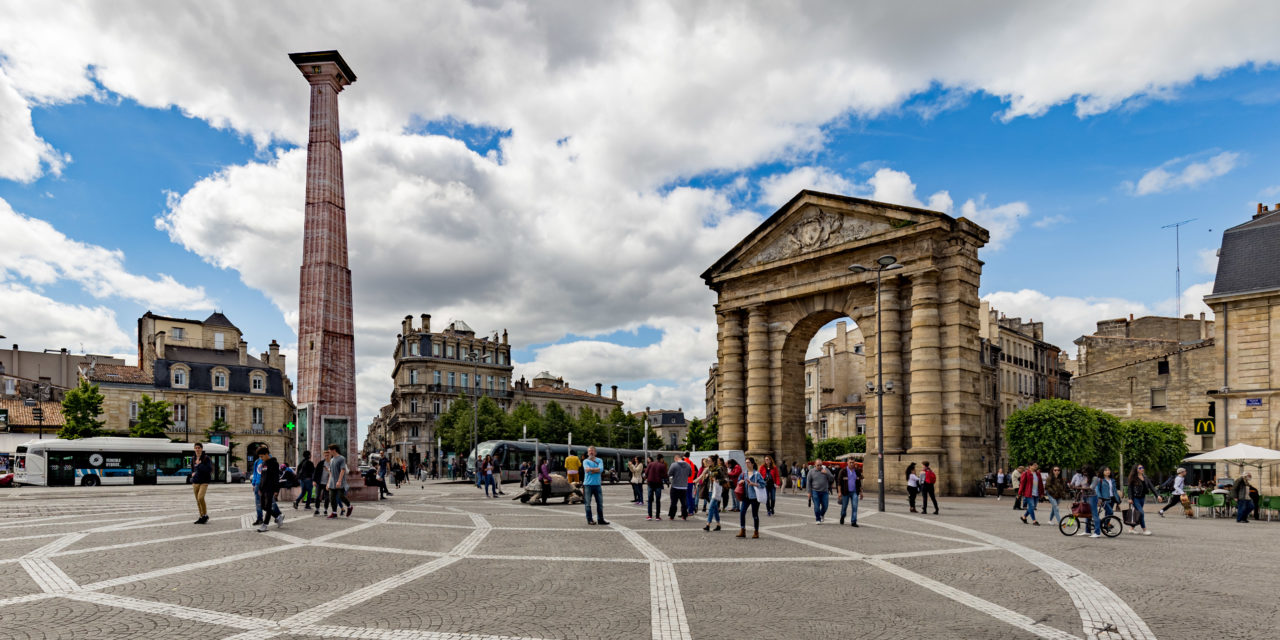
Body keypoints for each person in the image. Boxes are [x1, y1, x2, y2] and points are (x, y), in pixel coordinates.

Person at [736, 457, 766, 539]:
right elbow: (738, 481)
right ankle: (742, 530)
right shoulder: (743, 474)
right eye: (746, 462)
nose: (746, 464)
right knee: (742, 512)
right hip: (746, 496)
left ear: (752, 464)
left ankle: (756, 531)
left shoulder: (757, 474)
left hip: (754, 497)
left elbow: (763, 484)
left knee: (755, 514)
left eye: (748, 462)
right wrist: (740, 482)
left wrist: (753, 484)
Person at [255, 447, 284, 532]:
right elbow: (262, 477)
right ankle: (278, 516)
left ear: (267, 454)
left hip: (270, 488)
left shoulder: (274, 463)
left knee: (268, 506)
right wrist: (260, 488)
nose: (261, 458)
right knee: (263, 506)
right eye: (260, 457)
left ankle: (265, 525)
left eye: (262, 456)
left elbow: (276, 478)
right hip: (263, 488)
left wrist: (276, 490)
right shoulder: (264, 463)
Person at [579, 446, 609, 525]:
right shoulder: (585, 461)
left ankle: (601, 519)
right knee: (588, 504)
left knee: (600, 503)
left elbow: (601, 470)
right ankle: (590, 520)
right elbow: (587, 470)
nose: (591, 452)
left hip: (597, 485)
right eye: (589, 451)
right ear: (588, 453)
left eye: (592, 451)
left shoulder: (600, 460)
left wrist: (592, 470)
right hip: (587, 485)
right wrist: (596, 470)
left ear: (595, 452)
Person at [1126, 465, 1158, 535]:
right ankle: (1144, 530)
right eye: (1140, 468)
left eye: (1143, 467)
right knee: (1141, 513)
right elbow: (1130, 489)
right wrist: (1130, 498)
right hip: (1135, 498)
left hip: (1142, 498)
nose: (1142, 469)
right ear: (1136, 469)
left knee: (1138, 514)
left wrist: (1157, 496)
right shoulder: (1133, 478)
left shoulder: (1145, 477)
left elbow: (1152, 487)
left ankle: (1131, 529)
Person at [327, 444, 352, 519]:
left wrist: (339, 481)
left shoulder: (341, 458)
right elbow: (330, 472)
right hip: (332, 482)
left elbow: (343, 470)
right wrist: (328, 483)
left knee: (341, 496)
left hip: (340, 481)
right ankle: (334, 513)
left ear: (334, 450)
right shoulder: (331, 460)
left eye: (330, 450)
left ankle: (349, 506)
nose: (329, 451)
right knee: (332, 497)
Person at [835, 462, 862, 527]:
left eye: (853, 463)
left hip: (854, 492)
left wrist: (861, 492)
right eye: (850, 462)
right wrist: (839, 492)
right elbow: (839, 483)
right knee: (844, 507)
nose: (852, 464)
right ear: (848, 463)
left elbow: (859, 483)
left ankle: (853, 521)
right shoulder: (843, 471)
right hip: (845, 492)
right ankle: (842, 516)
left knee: (855, 507)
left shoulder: (857, 471)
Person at [191, 442, 212, 525]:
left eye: (199, 448)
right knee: (197, 500)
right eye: (196, 448)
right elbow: (192, 468)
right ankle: (201, 516)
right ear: (194, 449)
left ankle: (205, 514)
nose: (197, 449)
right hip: (195, 481)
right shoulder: (193, 458)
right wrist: (192, 473)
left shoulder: (206, 458)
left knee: (200, 498)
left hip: (204, 481)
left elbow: (209, 469)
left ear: (201, 449)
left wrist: (199, 465)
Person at [668, 454, 692, 520]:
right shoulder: (688, 465)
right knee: (683, 502)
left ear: (676, 458)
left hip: (675, 486)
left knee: (673, 502)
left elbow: (669, 473)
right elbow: (690, 474)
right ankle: (684, 516)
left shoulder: (674, 465)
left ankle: (672, 516)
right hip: (684, 487)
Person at [703, 459, 724, 532]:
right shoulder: (709, 469)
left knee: (711, 507)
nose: (707, 462)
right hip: (710, 490)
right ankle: (718, 525)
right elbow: (703, 477)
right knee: (715, 509)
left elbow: (723, 479)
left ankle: (708, 524)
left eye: (709, 461)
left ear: (713, 462)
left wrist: (718, 480)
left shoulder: (718, 469)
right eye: (707, 461)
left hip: (716, 491)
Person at [646, 454, 668, 520]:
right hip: (658, 484)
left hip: (650, 484)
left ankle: (649, 516)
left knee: (650, 500)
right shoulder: (663, 465)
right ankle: (657, 516)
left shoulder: (650, 464)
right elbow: (665, 475)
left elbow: (646, 473)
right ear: (661, 459)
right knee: (658, 501)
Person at [314, 449, 330, 517]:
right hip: (319, 482)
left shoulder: (332, 463)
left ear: (330, 455)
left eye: (327, 455)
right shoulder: (321, 463)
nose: (326, 457)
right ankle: (317, 509)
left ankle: (325, 509)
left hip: (327, 483)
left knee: (327, 498)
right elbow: (316, 472)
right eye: (325, 455)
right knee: (317, 496)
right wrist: (314, 481)